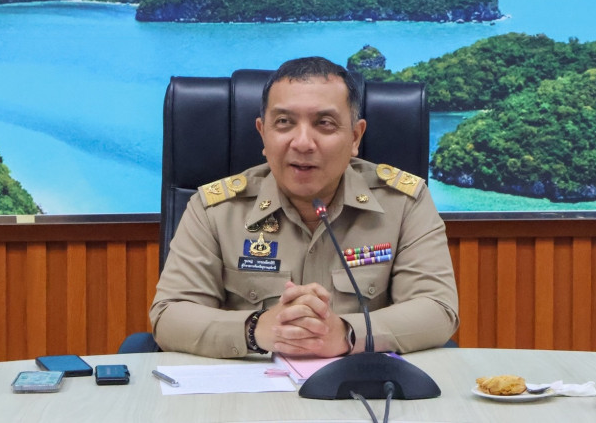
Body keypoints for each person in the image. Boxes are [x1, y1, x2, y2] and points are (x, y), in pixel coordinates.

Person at [149, 56, 459, 358]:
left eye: (324, 124)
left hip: (363, 384)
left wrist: (347, 334)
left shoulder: (403, 203)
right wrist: (256, 329)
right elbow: (169, 315)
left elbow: (437, 309)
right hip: (248, 386)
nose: (302, 143)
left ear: (355, 137)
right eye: (284, 122)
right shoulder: (215, 209)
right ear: (263, 133)